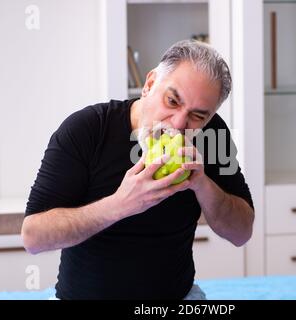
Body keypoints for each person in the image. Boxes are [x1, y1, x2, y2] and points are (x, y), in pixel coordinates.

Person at [21, 40, 255, 300]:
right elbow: (33, 237)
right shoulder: (87, 129)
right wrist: (120, 205)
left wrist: (202, 184)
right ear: (150, 84)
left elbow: (242, 233)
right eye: (172, 101)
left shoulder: (212, 135)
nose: (178, 124)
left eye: (197, 116)